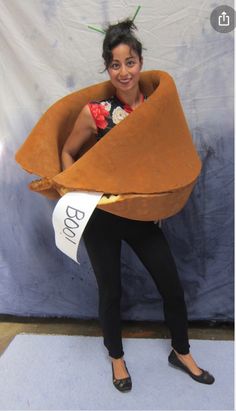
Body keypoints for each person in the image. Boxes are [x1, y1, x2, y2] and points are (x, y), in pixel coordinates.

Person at [61, 18, 215, 392]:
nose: (124, 71)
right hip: (101, 218)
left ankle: (181, 351)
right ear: (107, 68)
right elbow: (67, 151)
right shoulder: (95, 112)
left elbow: (168, 158)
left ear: (140, 63)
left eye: (130, 62)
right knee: (110, 291)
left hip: (141, 218)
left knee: (171, 286)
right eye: (115, 64)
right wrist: (72, 191)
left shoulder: (155, 110)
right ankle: (116, 357)